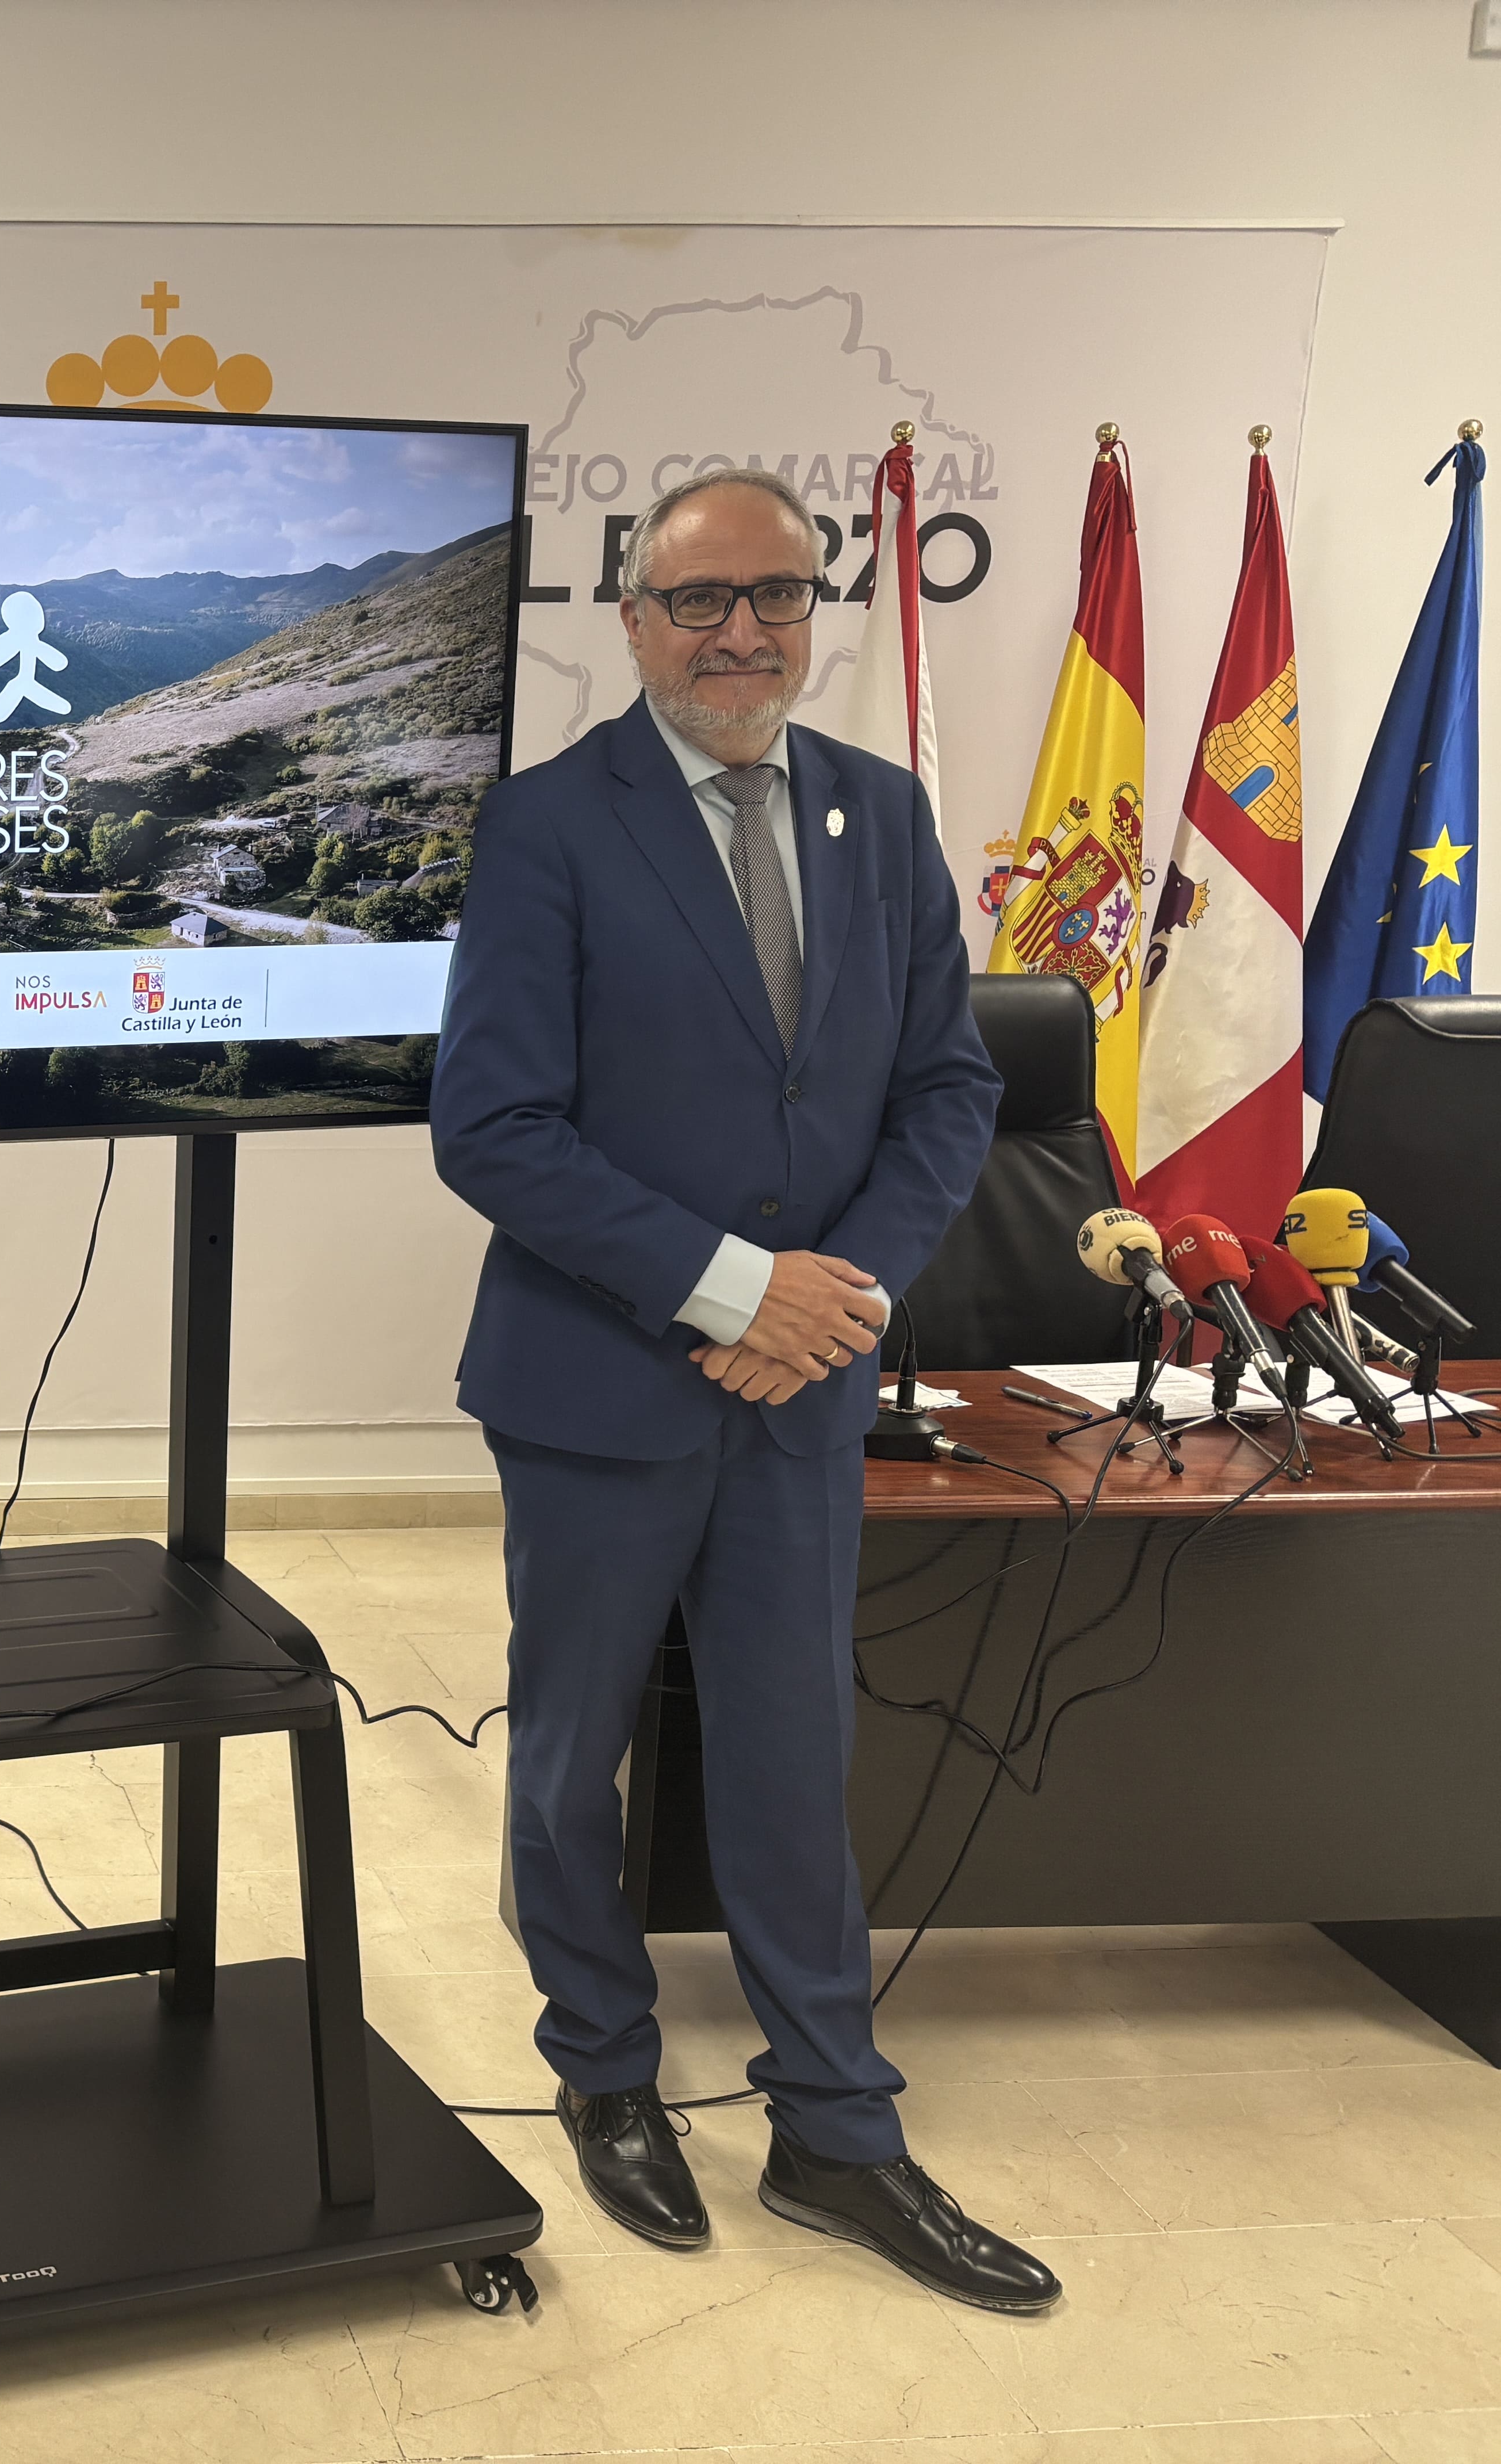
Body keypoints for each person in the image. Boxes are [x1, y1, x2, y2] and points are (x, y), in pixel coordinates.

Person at [430, 469, 1057, 2312]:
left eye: (775, 594)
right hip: (600, 1383)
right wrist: (733, 1286)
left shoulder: (882, 811)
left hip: (802, 1392)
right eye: (700, 601)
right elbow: (494, 1126)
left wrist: (832, 1301)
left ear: (812, 611)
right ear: (634, 622)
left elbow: (949, 1088)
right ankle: (605, 2069)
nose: (741, 633)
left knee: (793, 1754)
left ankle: (835, 2130)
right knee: (575, 1756)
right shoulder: (548, 825)